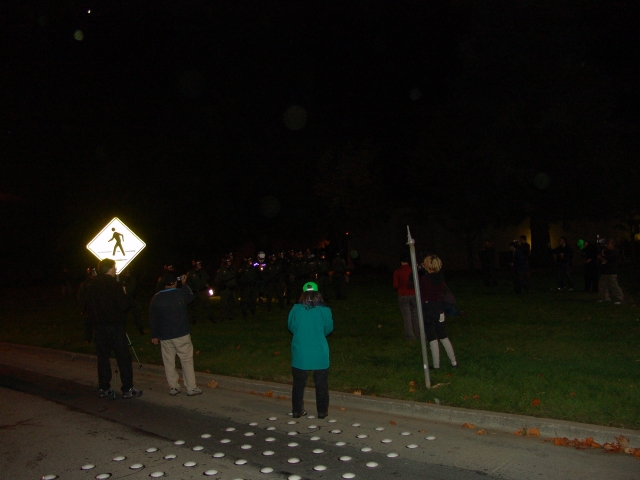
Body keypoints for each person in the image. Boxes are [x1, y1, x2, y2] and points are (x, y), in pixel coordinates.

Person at [85, 258, 142, 399]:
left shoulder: (91, 285)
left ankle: (104, 387)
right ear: (109, 268)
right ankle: (127, 388)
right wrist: (125, 294)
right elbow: (123, 305)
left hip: (99, 327)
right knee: (123, 357)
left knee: (103, 358)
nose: (116, 269)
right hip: (115, 326)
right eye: (114, 267)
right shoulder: (114, 285)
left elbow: (87, 305)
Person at [150, 273, 202, 396]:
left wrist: (154, 335)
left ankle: (173, 386)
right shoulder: (180, 294)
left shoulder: (156, 297)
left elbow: (153, 318)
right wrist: (184, 284)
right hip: (181, 333)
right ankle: (191, 387)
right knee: (186, 360)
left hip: (165, 335)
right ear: (175, 281)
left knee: (168, 361)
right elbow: (191, 296)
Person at [288, 281, 334, 419]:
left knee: (298, 383)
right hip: (319, 350)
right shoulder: (325, 310)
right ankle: (322, 411)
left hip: (300, 350)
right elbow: (328, 329)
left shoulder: (296, 309)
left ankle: (297, 410)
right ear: (317, 293)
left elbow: (291, 326)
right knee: (321, 384)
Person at [413, 254, 458, 369]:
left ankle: (436, 365)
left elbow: (413, 284)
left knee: (432, 338)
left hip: (427, 308)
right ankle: (454, 362)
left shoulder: (424, 279)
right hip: (438, 308)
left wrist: (417, 270)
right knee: (443, 336)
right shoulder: (440, 277)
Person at [392, 254, 420, 340]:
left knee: (406, 315)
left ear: (401, 261)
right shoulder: (413, 270)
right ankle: (419, 333)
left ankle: (409, 335)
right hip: (414, 294)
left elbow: (395, 285)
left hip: (403, 295)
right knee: (415, 314)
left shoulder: (398, 271)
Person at [597, 238, 624, 304]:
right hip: (605, 271)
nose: (607, 245)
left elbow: (606, 260)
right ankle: (605, 298)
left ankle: (620, 298)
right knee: (602, 285)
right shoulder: (607, 251)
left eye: (608, 244)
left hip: (611, 271)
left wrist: (600, 257)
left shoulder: (614, 252)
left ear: (612, 245)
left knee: (613, 286)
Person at [120, 268, 145, 335]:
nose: (127, 274)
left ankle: (140, 329)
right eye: (126, 272)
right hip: (126, 300)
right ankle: (122, 330)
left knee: (137, 315)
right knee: (123, 315)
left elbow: (132, 289)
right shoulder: (122, 279)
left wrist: (126, 289)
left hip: (134, 299)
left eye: (128, 272)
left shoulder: (132, 279)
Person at [77, 267, 97, 343]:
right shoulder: (86, 283)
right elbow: (81, 296)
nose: (95, 273)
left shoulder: (98, 282)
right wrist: (84, 306)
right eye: (93, 272)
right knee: (88, 323)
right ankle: (88, 338)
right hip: (89, 306)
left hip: (97, 306)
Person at [215, 255, 238, 321]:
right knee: (224, 303)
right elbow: (217, 280)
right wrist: (221, 286)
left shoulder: (232, 269)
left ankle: (231, 315)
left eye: (230, 261)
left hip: (232, 289)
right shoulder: (221, 270)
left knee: (231, 303)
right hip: (225, 289)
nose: (229, 262)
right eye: (228, 261)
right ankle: (222, 316)